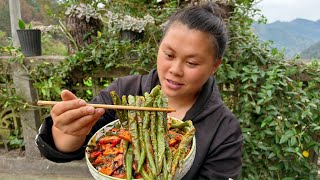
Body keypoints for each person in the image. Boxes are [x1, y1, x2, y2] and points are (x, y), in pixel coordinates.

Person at [36, 2, 243, 179]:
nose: (175, 70)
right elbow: (66, 148)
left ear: (214, 66)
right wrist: (68, 132)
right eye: (169, 55)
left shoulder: (225, 130)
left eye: (191, 62)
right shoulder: (124, 91)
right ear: (158, 47)